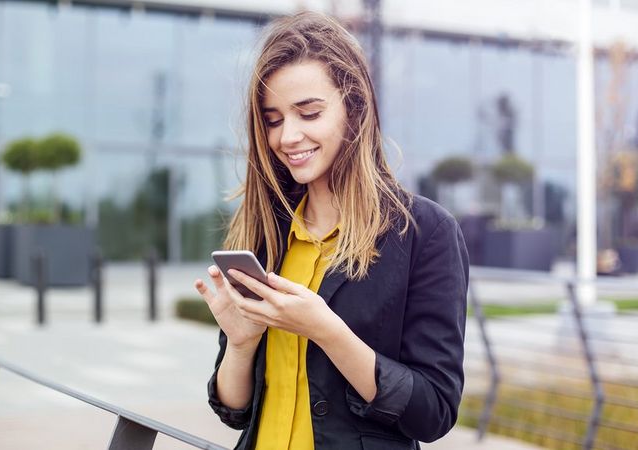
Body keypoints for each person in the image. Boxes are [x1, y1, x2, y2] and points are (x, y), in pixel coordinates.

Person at [194, 11, 469, 450]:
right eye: (273, 120)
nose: (288, 136)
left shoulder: (424, 233)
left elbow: (433, 411)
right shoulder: (268, 232)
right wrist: (241, 345)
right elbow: (233, 410)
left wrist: (327, 331)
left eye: (309, 113)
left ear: (354, 108)